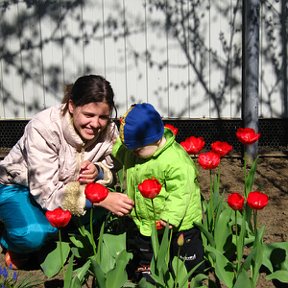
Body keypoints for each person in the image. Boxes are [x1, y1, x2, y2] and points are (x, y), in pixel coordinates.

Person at [0, 74, 134, 269]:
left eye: (103, 117)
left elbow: (113, 167)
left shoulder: (108, 131)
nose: (96, 124)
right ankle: (10, 239)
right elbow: (47, 193)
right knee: (34, 234)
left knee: (98, 218)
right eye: (88, 115)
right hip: (18, 186)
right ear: (71, 106)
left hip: (68, 190)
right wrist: (101, 199)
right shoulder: (44, 128)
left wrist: (98, 171)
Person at [112, 103, 204, 281]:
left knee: (185, 256)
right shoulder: (139, 149)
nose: (133, 154)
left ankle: (191, 278)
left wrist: (171, 216)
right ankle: (149, 275)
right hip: (148, 221)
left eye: (137, 150)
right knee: (148, 252)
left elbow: (181, 192)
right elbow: (121, 149)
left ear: (155, 139)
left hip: (180, 223)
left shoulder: (175, 161)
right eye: (131, 150)